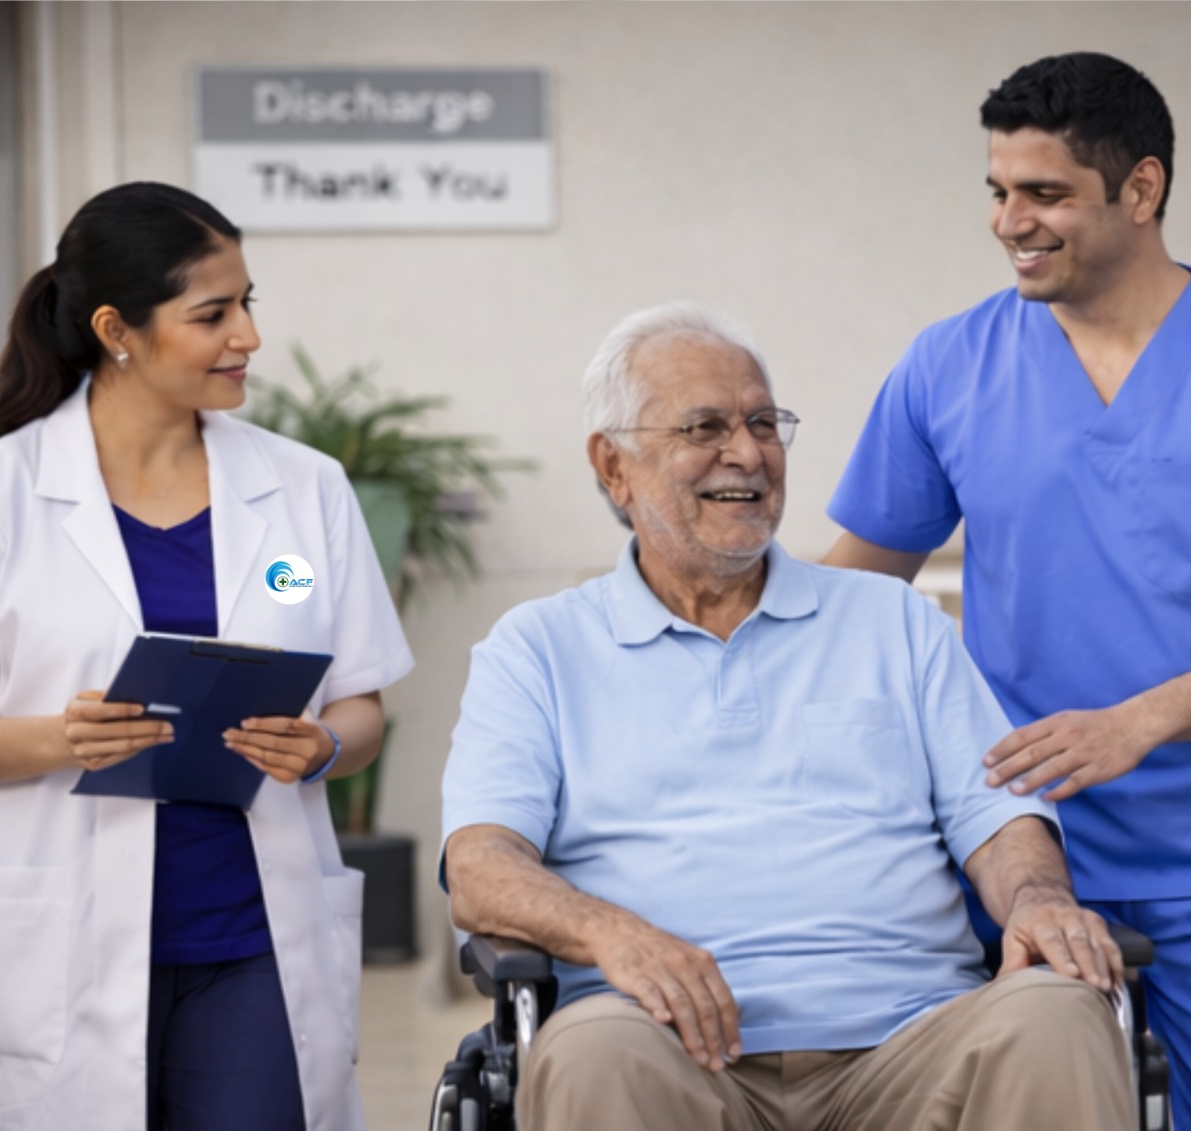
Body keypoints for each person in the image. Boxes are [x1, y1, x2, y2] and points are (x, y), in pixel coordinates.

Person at [824, 53, 1191, 1131]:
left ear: (1140, 190)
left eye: (1045, 194)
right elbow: (845, 595)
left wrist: (1134, 725)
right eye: (998, 192)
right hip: (1019, 851)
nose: (1010, 222)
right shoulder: (947, 365)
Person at [441, 302, 1135, 1131]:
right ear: (614, 465)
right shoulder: (537, 649)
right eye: (704, 426)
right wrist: (612, 935)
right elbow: (482, 869)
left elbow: (1000, 815)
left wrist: (1037, 897)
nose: (746, 451)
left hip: (912, 1041)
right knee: (591, 1049)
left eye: (764, 422)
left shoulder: (895, 621)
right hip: (666, 1047)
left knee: (1055, 1014)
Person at [0, 182, 413, 1131]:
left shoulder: (304, 490)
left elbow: (361, 705)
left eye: (249, 304)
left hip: (254, 940)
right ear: (117, 328)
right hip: (60, 944)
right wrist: (61, 738)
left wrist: (321, 746)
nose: (247, 335)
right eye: (214, 313)